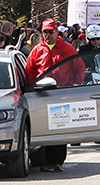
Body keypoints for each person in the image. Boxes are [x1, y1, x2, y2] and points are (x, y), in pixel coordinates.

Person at [24, 20, 81, 172]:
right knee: (44, 127)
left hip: (61, 94)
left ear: (57, 32)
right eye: (45, 32)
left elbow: (79, 67)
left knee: (60, 127)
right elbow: (29, 71)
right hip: (41, 95)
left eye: (51, 32)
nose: (48, 35)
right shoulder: (37, 50)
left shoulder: (67, 48)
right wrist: (31, 90)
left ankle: (57, 161)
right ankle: (45, 160)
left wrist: (74, 86)